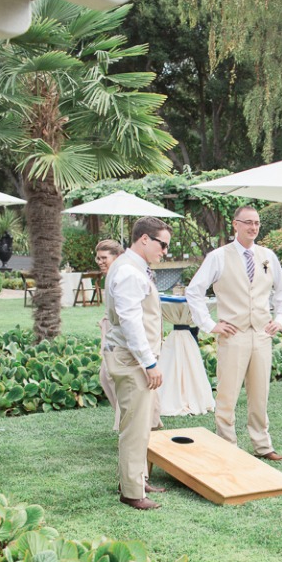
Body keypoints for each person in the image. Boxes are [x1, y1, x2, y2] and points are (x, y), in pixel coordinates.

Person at [186, 205, 282, 461]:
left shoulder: (268, 256)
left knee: (260, 394)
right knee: (227, 395)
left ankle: (263, 445)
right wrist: (210, 325)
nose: (253, 228)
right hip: (233, 335)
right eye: (248, 223)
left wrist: (280, 319)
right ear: (235, 225)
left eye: (257, 223)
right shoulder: (218, 257)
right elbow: (194, 291)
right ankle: (226, 447)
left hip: (262, 334)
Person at [103, 217, 171, 510]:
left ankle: (136, 478)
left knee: (141, 423)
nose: (165, 251)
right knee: (134, 426)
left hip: (131, 357)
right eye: (162, 244)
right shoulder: (130, 271)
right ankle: (131, 491)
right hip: (132, 359)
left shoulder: (129, 267)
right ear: (145, 239)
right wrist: (149, 362)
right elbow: (131, 321)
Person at [97, 239, 163, 433]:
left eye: (104, 258)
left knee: (140, 385)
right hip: (116, 335)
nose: (100, 262)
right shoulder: (120, 272)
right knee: (108, 378)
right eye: (97, 258)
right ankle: (135, 424)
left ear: (117, 257)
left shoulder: (127, 272)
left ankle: (147, 423)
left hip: (129, 339)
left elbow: (133, 319)